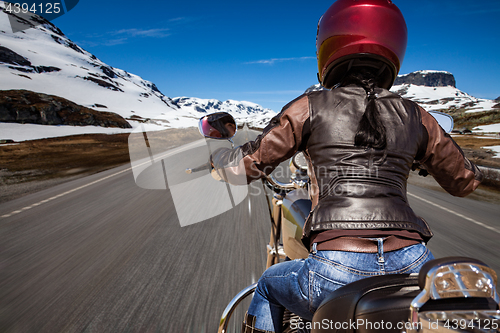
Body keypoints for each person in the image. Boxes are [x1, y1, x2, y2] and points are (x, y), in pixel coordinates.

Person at [210, 0, 483, 332]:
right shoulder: (416, 115)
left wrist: (221, 164)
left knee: (268, 284)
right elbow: (464, 181)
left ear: (328, 44)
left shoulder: (309, 106)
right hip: (412, 260)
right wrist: (421, 158)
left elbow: (248, 164)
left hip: (337, 266)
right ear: (394, 43)